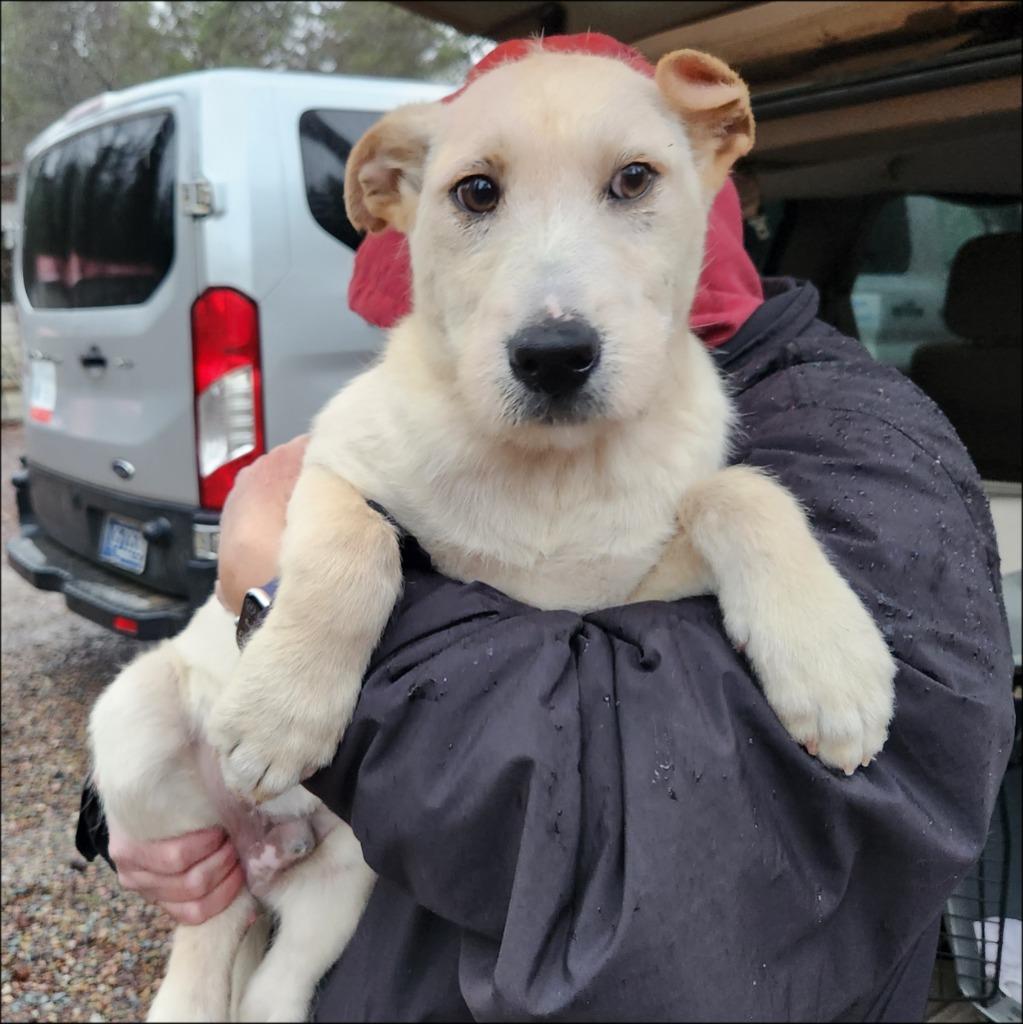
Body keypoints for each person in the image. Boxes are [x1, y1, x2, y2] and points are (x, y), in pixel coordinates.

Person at [78, 33, 1015, 1022]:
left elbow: (664, 866)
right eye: (478, 199)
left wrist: (271, 585)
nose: (534, 308)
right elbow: (267, 665)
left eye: (630, 183)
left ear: (708, 175)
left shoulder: (857, 453)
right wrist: (143, 820)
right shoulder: (447, 402)